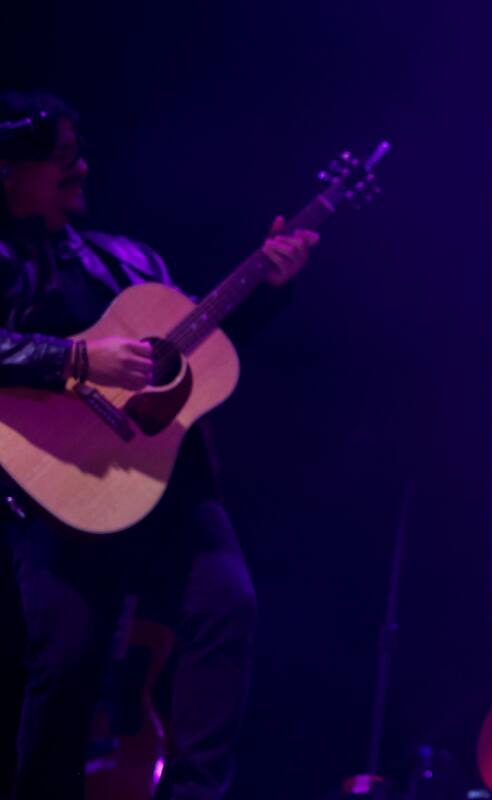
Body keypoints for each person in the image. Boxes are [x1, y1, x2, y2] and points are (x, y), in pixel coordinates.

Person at [0, 90, 318, 799]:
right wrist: (77, 362)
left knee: (227, 606)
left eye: (77, 151)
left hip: (163, 487)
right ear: (9, 173)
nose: (80, 167)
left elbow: (198, 362)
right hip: (55, 493)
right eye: (59, 159)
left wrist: (269, 290)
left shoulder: (127, 258)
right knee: (69, 664)